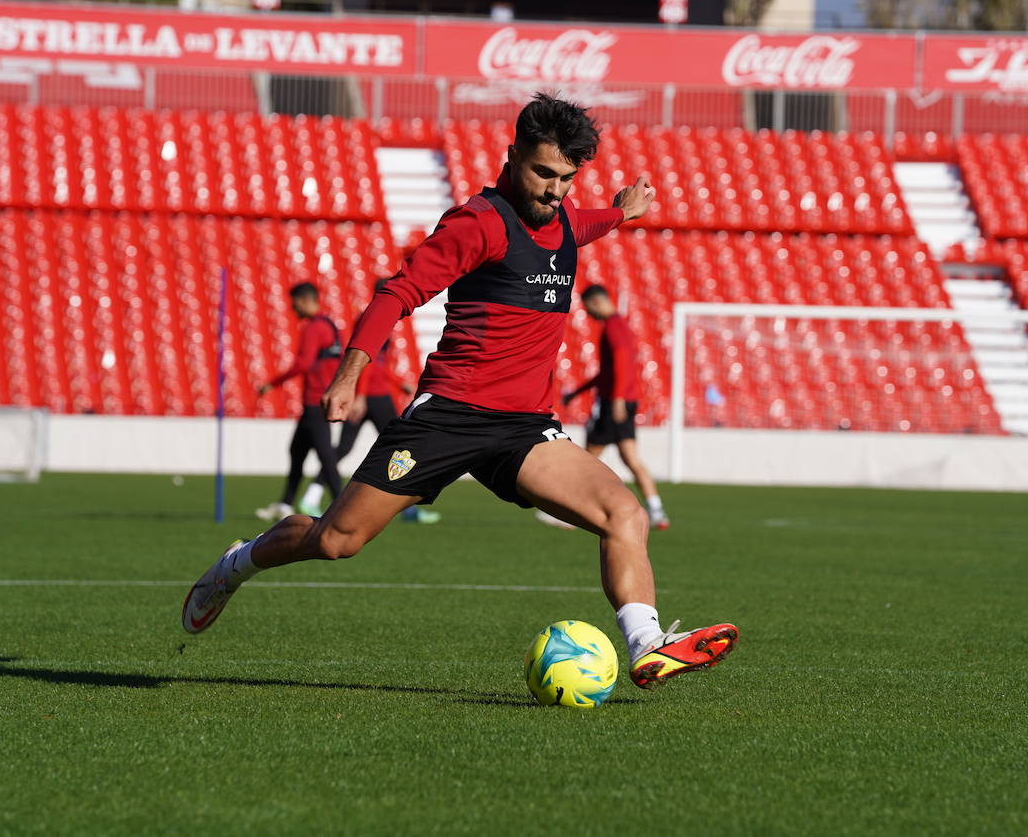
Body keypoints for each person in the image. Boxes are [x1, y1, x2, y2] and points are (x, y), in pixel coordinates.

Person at [184, 93, 737, 690]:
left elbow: (587, 222)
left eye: (567, 179)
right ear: (512, 156)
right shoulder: (478, 223)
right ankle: (235, 564)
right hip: (447, 417)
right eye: (543, 173)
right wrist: (348, 373)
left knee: (623, 514)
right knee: (338, 540)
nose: (554, 190)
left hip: (523, 427)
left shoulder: (568, 221)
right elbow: (397, 293)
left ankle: (646, 644)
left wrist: (624, 211)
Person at [297, 280, 439, 524]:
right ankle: (407, 508)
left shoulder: (373, 317)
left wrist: (395, 382)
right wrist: (361, 395)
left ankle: (312, 495)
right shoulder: (375, 318)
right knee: (403, 447)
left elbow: (376, 364)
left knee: (344, 448)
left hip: (370, 391)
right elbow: (367, 361)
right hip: (373, 395)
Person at [558, 284, 669, 529]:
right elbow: (608, 372)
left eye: (588, 309)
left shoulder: (613, 328)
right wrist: (577, 393)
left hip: (613, 403)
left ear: (597, 302)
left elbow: (621, 365)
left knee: (587, 459)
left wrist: (617, 399)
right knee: (631, 459)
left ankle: (572, 514)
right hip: (625, 401)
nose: (589, 314)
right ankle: (657, 510)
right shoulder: (621, 325)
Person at [252, 282, 344, 522]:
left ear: (304, 300)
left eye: (294, 305)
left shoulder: (313, 328)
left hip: (315, 400)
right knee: (297, 452)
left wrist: (272, 383)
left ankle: (343, 507)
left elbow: (303, 364)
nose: (294, 311)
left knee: (325, 455)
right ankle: (285, 504)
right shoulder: (332, 326)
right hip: (319, 400)